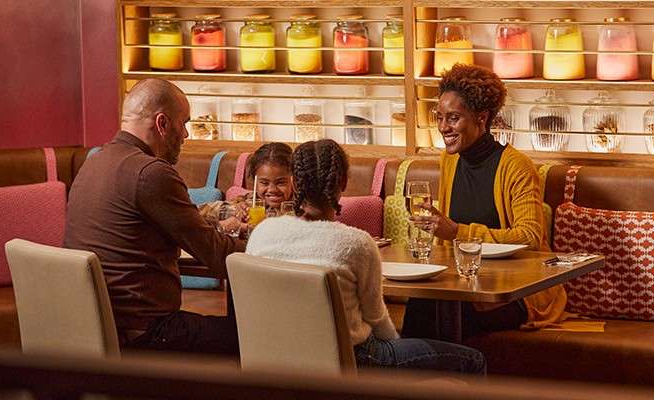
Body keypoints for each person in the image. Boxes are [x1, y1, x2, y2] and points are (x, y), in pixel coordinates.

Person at [246, 139, 486, 375]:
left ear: (294, 183)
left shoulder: (261, 234)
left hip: (273, 361)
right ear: (343, 181)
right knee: (472, 360)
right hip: (355, 359)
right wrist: (398, 350)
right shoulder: (357, 243)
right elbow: (377, 321)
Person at [64, 78, 245, 355]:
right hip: (145, 335)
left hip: (98, 330)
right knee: (255, 337)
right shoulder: (151, 173)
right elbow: (219, 257)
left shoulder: (94, 163)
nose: (185, 135)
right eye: (183, 123)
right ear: (162, 123)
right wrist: (272, 246)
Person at [405, 64, 566, 339]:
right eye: (439, 117)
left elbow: (529, 236)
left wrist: (458, 232)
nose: (443, 127)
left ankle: (445, 379)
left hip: (517, 291)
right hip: (465, 283)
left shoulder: (517, 167)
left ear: (481, 118)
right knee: (423, 301)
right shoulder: (450, 160)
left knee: (448, 312)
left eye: (453, 118)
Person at [199, 142, 295, 235]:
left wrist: (244, 227)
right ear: (255, 182)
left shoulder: (302, 208)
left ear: (294, 180)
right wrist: (232, 210)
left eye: (281, 183)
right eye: (264, 183)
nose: (272, 189)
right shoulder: (249, 201)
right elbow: (197, 211)